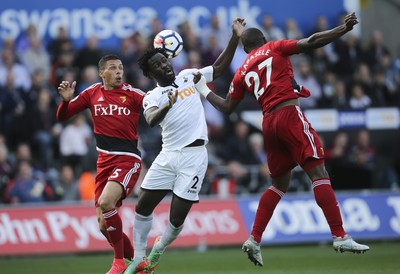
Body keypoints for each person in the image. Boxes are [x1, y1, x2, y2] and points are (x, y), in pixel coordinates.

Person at [193, 12, 369, 267]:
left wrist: (202, 90)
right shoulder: (274, 47)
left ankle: (254, 239)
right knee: (319, 173)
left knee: (278, 184)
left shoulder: (242, 70)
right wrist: (342, 30)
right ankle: (340, 235)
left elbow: (228, 107)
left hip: (268, 123)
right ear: (264, 39)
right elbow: (311, 41)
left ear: (244, 48)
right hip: (289, 114)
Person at [124, 18, 246, 274]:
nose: (164, 65)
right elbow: (150, 119)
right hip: (168, 155)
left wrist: (235, 36)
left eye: (164, 60)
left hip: (194, 156)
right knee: (143, 206)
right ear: (150, 73)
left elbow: (220, 68)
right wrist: (167, 104)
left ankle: (159, 249)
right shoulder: (153, 97)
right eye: (157, 64)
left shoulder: (189, 76)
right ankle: (138, 258)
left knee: (177, 219)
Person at [56, 54, 145, 274]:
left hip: (127, 159)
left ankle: (119, 262)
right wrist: (66, 101)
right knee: (104, 226)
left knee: (106, 203)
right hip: (104, 163)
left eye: (120, 68)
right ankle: (138, 262)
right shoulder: (91, 93)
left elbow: (154, 104)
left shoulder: (133, 95)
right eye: (113, 68)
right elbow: (63, 117)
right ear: (101, 72)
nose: (118, 72)